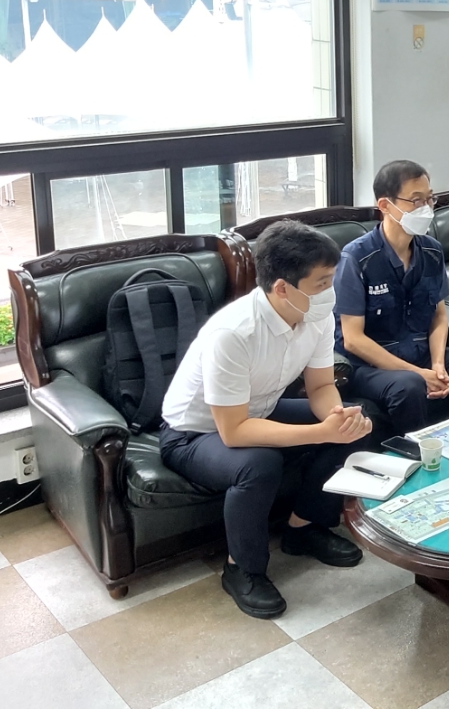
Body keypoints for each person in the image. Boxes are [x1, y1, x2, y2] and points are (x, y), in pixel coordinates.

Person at [161, 219, 376, 620]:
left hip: (259, 409)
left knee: (355, 424)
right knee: (258, 464)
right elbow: (234, 431)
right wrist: (319, 431)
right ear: (282, 288)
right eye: (322, 282)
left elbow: (320, 386)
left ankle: (303, 527)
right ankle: (242, 569)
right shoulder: (234, 332)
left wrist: (337, 419)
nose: (331, 291)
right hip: (193, 434)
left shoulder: (313, 313)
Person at [335, 159, 449, 435]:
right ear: (385, 205)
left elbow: (439, 315)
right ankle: (419, 452)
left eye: (429, 199)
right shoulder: (356, 258)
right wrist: (418, 374)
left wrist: (438, 365)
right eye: (416, 200)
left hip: (419, 355)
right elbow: (353, 339)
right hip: (372, 367)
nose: (426, 208)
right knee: (409, 386)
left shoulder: (431, 251)